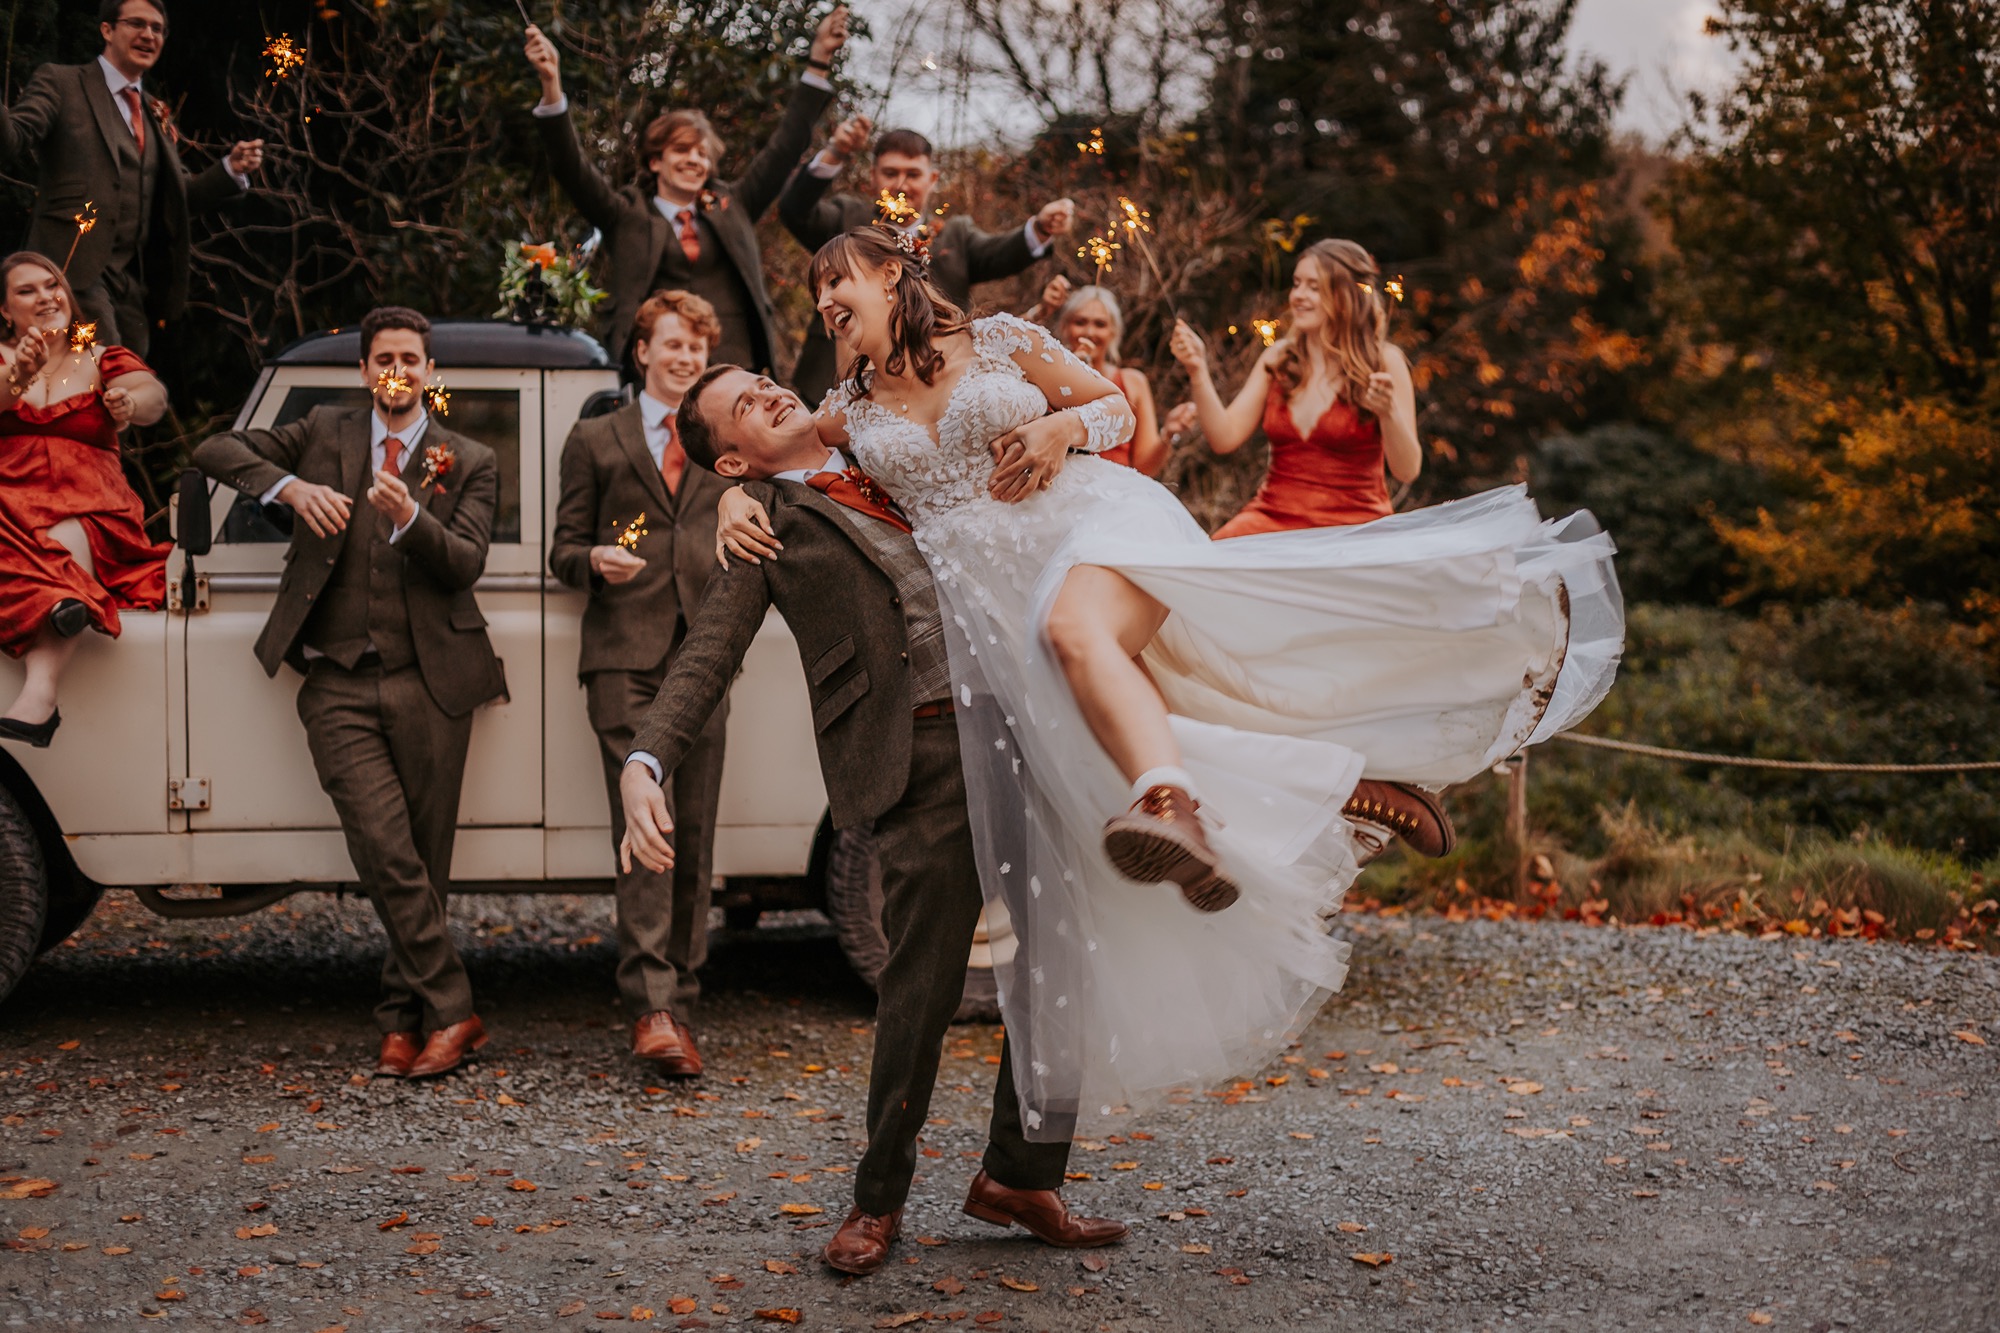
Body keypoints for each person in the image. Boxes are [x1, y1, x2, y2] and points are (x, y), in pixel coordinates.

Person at [714, 224, 1622, 1142]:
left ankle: (1177, 807)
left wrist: (1059, 424)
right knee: (1155, 716)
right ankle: (1352, 783)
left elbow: (1112, 409)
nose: (827, 304)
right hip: (996, 607)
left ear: (891, 275)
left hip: (1089, 531)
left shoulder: (996, 338)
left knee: (1085, 638)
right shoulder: (848, 411)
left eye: (840, 284)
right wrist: (728, 494)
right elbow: (775, 454)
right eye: (818, 298)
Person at [621, 361, 1129, 1274]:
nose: (771, 394)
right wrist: (646, 759)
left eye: (764, 379)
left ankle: (1021, 1173)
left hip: (1023, 718)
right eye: (745, 407)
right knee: (921, 989)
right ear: (733, 462)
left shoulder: (884, 432)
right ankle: (877, 1198)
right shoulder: (760, 525)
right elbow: (707, 653)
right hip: (921, 751)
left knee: (1063, 957)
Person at [192, 307, 508, 1080]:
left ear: (428, 373)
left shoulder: (468, 457)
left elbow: (465, 561)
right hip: (336, 680)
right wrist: (292, 489)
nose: (396, 368)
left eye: (411, 356)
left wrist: (409, 519)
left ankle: (404, 1020)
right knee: (384, 848)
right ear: (366, 372)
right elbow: (213, 449)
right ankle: (457, 1007)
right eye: (383, 357)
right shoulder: (320, 433)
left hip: (434, 681)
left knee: (423, 862)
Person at [549, 290, 731, 1078]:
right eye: (674, 343)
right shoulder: (596, 438)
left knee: (694, 835)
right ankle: (651, 1004)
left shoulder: (726, 441)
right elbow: (561, 549)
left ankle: (681, 1002)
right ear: (642, 351)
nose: (686, 356)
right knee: (645, 833)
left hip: (707, 660)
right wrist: (592, 559)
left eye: (697, 345)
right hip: (624, 657)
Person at [521, 8, 850, 370]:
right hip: (655, 372)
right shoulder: (624, 214)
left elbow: (785, 146)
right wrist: (552, 86)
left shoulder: (734, 204)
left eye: (702, 153)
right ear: (654, 161)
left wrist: (818, 61)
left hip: (733, 370)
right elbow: (571, 168)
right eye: (681, 150)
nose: (694, 160)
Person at [0, 0, 263, 360]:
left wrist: (230, 169)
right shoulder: (62, 83)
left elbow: (177, 197)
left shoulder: (155, 112)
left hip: (130, 283)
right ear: (107, 30)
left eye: (157, 29)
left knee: (129, 388)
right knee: (102, 374)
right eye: (137, 24)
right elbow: (14, 137)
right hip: (69, 271)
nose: (148, 35)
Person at [779, 121, 1074, 407]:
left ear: (932, 179)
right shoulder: (846, 218)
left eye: (913, 174)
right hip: (829, 383)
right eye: (890, 173)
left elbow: (998, 254)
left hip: (927, 388)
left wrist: (1041, 228)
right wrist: (836, 150)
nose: (901, 184)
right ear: (873, 177)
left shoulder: (954, 234)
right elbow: (794, 210)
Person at [0, 252, 169, 746]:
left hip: (91, 504)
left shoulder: (99, 356)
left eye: (52, 285)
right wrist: (19, 375)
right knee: (22, 537)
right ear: (5, 311)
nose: (46, 297)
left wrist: (130, 402)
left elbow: (152, 394)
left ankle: (40, 690)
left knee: (63, 536)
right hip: (9, 501)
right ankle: (61, 608)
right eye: (26, 291)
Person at [1169, 239, 1422, 536]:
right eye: (1297, 283)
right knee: (1210, 564)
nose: (1299, 296)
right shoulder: (1278, 357)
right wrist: (1197, 371)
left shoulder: (1384, 361)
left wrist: (1388, 412)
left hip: (1354, 528)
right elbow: (1224, 438)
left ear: (1346, 296)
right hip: (1272, 518)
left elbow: (1407, 470)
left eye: (1314, 287)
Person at [1043, 283, 1169, 475]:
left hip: (1116, 491)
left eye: (1100, 324)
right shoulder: (1047, 375)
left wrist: (1168, 435)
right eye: (1080, 322)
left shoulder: (1134, 382)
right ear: (1065, 327)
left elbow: (1144, 466)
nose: (1089, 332)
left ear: (1113, 332)